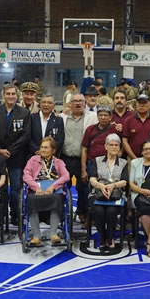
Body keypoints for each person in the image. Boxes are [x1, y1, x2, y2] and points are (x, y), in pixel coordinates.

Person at [0, 83, 32, 223]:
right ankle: (1, 215)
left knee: (16, 188)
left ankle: (15, 214)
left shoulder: (24, 112)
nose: (11, 96)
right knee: (0, 187)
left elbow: (26, 135)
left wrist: (10, 151)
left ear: (17, 96)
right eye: (8, 94)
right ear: (3, 95)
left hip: (17, 156)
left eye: (13, 94)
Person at [22, 137, 70, 245]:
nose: (43, 150)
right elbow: (26, 176)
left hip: (52, 189)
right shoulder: (33, 160)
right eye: (42, 147)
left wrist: (53, 186)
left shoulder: (58, 162)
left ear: (53, 150)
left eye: (46, 147)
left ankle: (53, 234)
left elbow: (66, 176)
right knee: (31, 199)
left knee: (57, 198)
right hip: (37, 189)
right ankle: (36, 235)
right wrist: (35, 187)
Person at [60, 93, 97, 224]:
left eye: (80, 101)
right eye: (75, 101)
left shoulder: (93, 117)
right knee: (63, 187)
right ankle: (62, 214)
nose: (78, 103)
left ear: (85, 102)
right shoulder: (62, 117)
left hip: (83, 159)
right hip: (65, 158)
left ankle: (83, 212)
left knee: (83, 188)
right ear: (70, 103)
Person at [88, 133, 129, 250]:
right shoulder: (97, 160)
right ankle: (102, 237)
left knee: (111, 211)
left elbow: (125, 181)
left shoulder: (123, 162)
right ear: (106, 146)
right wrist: (100, 185)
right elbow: (92, 178)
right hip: (98, 192)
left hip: (116, 193)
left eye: (117, 145)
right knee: (99, 211)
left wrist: (113, 185)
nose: (114, 147)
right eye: (111, 145)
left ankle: (110, 237)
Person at [122, 94, 150, 160]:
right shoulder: (128, 120)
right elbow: (124, 141)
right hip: (132, 159)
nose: (141, 105)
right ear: (136, 104)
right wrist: (134, 158)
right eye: (139, 103)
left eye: (144, 103)